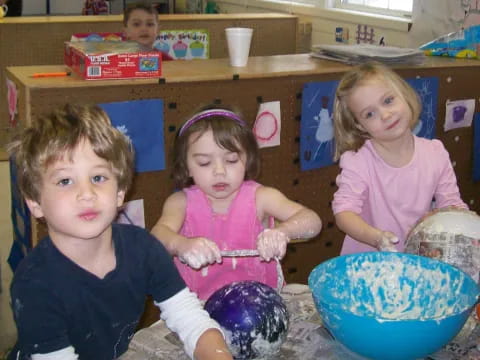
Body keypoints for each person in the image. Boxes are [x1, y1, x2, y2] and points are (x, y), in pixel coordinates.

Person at [7, 104, 232, 360]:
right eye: (65, 181)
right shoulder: (35, 285)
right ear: (35, 202)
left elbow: (188, 316)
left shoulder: (143, 249)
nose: (87, 194)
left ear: (120, 192)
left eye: (99, 178)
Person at [151, 107, 322, 300]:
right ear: (186, 166)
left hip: (261, 303)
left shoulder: (262, 197)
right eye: (204, 163)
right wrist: (180, 244)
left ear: (247, 159)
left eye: (231, 160)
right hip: (198, 309)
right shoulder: (180, 203)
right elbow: (157, 236)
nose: (219, 171)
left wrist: (283, 232)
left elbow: (312, 221)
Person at [331, 62, 467, 255]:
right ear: (360, 126)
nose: (386, 115)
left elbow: (451, 205)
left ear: (403, 94)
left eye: (388, 101)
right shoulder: (358, 161)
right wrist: (376, 237)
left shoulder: (435, 153)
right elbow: (344, 213)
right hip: (369, 266)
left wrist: (467, 224)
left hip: (419, 261)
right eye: (370, 114)